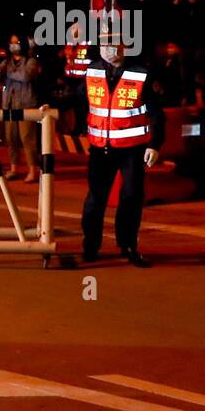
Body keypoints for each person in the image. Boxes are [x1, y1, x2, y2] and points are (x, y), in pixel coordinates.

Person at [80, 32, 165, 267]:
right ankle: (90, 246)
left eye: (117, 44)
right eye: (106, 44)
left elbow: (157, 113)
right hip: (100, 149)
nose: (111, 49)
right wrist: (50, 105)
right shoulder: (92, 71)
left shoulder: (141, 74)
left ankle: (128, 246)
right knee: (96, 199)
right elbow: (76, 99)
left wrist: (155, 145)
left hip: (132, 150)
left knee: (131, 197)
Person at [0, 35, 42, 183]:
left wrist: (8, 72)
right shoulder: (7, 62)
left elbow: (25, 76)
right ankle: (13, 168)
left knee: (27, 138)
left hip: (26, 104)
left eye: (16, 42)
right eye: (11, 42)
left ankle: (32, 170)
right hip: (9, 104)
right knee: (11, 138)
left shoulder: (31, 61)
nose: (13, 45)